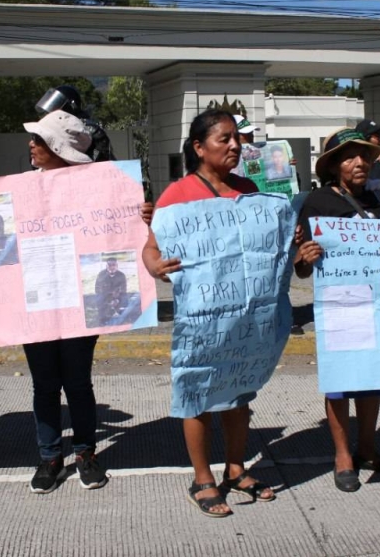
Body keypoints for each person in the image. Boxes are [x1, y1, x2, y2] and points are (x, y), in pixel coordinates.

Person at [142, 106, 276, 517]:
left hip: (245, 318)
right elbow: (150, 248)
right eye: (225, 139)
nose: (235, 145)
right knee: (197, 394)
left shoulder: (249, 190)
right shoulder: (177, 196)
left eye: (238, 138)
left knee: (238, 394)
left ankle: (235, 469)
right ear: (200, 148)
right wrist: (155, 267)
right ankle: (202, 478)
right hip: (201, 320)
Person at [293, 127, 380, 493]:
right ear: (333, 165)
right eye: (348, 157)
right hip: (343, 307)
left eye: (363, 156)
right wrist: (303, 258)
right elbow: (302, 266)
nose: (359, 163)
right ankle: (343, 455)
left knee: (373, 380)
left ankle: (369, 448)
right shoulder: (318, 203)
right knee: (342, 384)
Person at [24, 109, 107, 493]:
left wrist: (139, 217)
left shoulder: (94, 188)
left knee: (77, 382)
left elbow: (111, 233)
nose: (31, 145)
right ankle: (49, 458)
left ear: (58, 149)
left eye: (39, 140)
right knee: (44, 384)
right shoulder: (21, 187)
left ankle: (85, 453)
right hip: (36, 300)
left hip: (78, 300)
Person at [35, 84, 115, 162]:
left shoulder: (89, 129)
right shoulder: (51, 128)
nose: (51, 112)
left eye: (56, 105)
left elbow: (102, 161)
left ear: (71, 106)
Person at [95, 257, 127, 325]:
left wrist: (117, 299)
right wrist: (109, 301)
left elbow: (123, 289)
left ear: (117, 266)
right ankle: (103, 319)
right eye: (109, 265)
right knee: (99, 299)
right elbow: (98, 289)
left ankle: (121, 316)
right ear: (106, 266)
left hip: (118, 295)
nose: (112, 267)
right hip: (105, 296)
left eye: (114, 265)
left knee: (125, 299)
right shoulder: (101, 275)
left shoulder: (121, 275)